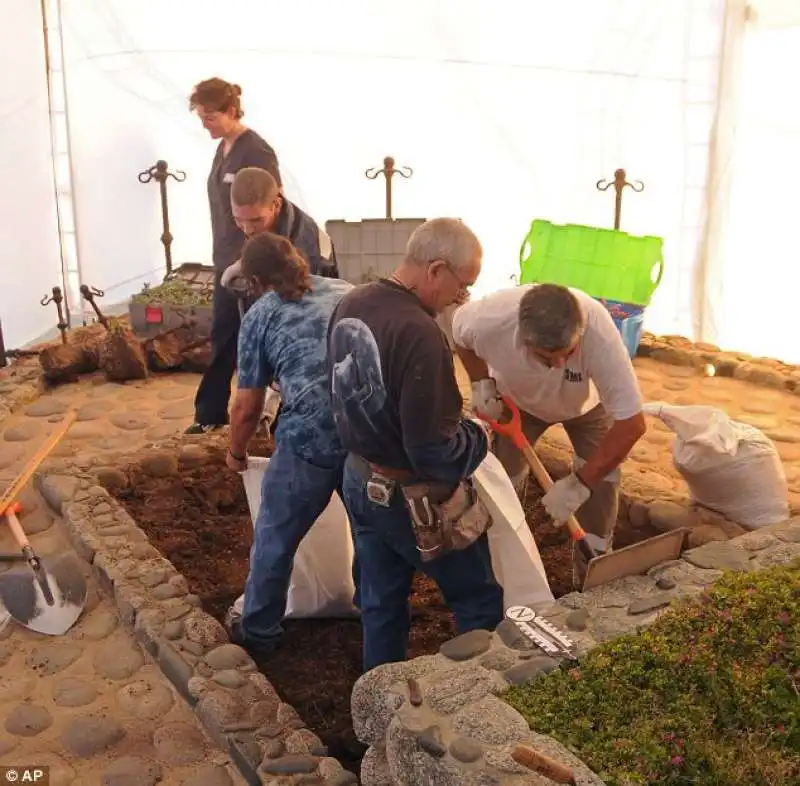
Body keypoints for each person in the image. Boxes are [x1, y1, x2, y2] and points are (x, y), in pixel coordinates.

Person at [327, 217, 504, 674]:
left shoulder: (352, 301)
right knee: (478, 600)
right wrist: (479, 435)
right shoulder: (422, 335)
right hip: (412, 497)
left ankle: (376, 706)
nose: (459, 298)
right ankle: (477, 703)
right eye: (461, 287)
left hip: (359, 476)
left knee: (380, 603)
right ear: (436, 269)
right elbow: (433, 454)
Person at [452, 282, 647, 587]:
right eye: (547, 357)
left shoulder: (599, 332)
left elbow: (633, 424)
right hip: (519, 403)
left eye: (567, 353)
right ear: (521, 337)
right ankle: (506, 557)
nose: (559, 364)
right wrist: (481, 384)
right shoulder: (489, 320)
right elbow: (459, 334)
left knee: (602, 484)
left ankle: (593, 573)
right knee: (503, 480)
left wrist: (582, 482)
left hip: (587, 407)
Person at [224, 231, 353, 657]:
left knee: (275, 537)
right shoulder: (347, 293)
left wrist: (237, 452)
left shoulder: (260, 316)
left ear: (255, 281)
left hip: (308, 441)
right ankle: (377, 617)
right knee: (374, 537)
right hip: (367, 439)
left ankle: (259, 631)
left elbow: (246, 406)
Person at [187, 162, 338, 433]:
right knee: (223, 336)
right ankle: (209, 413)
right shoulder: (242, 218)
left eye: (256, 221)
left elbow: (298, 297)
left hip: (295, 294)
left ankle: (279, 416)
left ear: (276, 204)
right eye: (238, 220)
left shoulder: (304, 238)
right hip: (244, 277)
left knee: (285, 352)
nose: (246, 228)